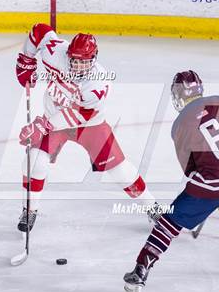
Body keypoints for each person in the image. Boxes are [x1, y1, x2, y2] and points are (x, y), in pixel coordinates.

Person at [123, 70, 219, 292]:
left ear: (177, 96)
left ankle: (140, 269)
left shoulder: (179, 125)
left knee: (170, 220)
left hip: (215, 181)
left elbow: (191, 169)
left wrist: (214, 191)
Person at [15, 23, 157, 232]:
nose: (78, 68)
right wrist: (26, 60)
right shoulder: (55, 53)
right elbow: (39, 31)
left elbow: (80, 114)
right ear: (68, 54)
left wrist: (43, 125)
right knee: (34, 162)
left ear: (94, 59)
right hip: (55, 119)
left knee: (120, 171)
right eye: (75, 61)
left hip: (90, 126)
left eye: (85, 63)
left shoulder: (99, 84)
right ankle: (30, 209)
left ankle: (152, 207)